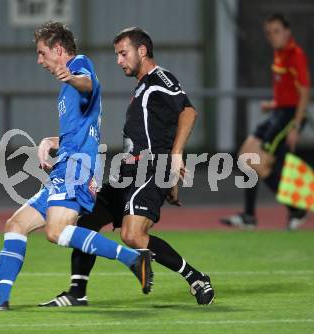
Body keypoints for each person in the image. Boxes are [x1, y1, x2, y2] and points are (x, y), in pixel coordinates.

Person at [0, 22, 154, 311]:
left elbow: (88, 84)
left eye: (42, 53)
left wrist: (73, 77)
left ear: (58, 50)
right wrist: (51, 140)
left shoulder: (79, 65)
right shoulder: (65, 90)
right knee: (16, 224)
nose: (39, 60)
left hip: (78, 168)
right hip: (65, 165)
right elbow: (81, 128)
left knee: (56, 231)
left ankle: (132, 258)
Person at [39, 27, 215, 307]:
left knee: (132, 235)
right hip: (128, 173)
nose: (119, 60)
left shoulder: (160, 78)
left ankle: (196, 278)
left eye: (123, 53)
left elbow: (188, 111)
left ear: (142, 51)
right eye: (117, 55)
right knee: (84, 223)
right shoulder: (143, 87)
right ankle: (77, 292)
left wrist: (177, 156)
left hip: (151, 169)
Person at [222, 13, 310, 231]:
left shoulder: (295, 54)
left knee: (259, 165)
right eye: (269, 33)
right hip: (277, 113)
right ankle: (251, 216)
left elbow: (304, 92)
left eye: (276, 31)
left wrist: (296, 125)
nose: (272, 36)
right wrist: (272, 104)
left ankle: (293, 210)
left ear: (287, 31)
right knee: (244, 159)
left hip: (288, 117)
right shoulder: (279, 54)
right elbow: (287, 92)